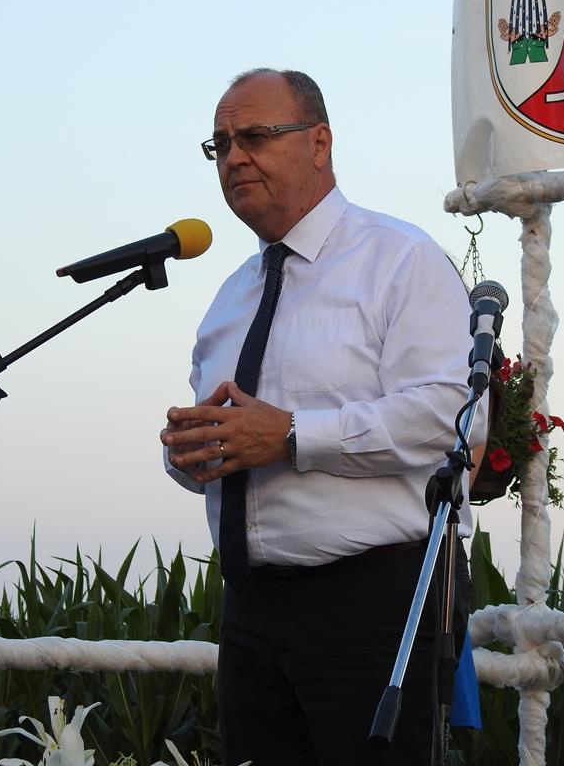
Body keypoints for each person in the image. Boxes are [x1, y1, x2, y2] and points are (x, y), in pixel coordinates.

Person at [160, 68, 483, 766]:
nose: (234, 157)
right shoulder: (231, 297)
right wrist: (191, 452)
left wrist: (292, 435)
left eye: (254, 136)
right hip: (251, 610)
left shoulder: (399, 260)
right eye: (220, 144)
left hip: (373, 603)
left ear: (319, 143)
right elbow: (232, 442)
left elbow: (452, 417)